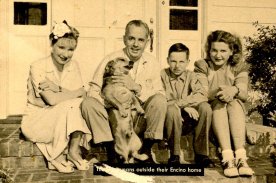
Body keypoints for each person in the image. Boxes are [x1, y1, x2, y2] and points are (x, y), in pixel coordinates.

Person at [81, 20, 167, 164]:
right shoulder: (111, 60)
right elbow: (94, 90)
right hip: (114, 120)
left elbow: (160, 93)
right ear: (124, 39)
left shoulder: (152, 63)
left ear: (147, 41)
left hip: (139, 118)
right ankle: (112, 152)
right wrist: (112, 104)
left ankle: (145, 151)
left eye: (140, 40)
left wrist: (136, 87)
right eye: (131, 38)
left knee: (159, 100)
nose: (135, 44)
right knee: (88, 103)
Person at [21, 21, 91, 173]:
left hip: (61, 117)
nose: (65, 54)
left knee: (76, 103)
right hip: (38, 122)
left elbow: (83, 95)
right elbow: (51, 100)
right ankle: (57, 155)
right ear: (51, 45)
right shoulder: (38, 66)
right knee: (72, 103)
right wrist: (73, 92)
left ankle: (72, 151)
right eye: (61, 47)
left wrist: (57, 89)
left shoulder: (74, 65)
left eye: (71, 49)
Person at [194, 30, 254, 177]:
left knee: (234, 104)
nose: (218, 55)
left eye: (223, 51)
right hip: (214, 112)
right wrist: (223, 92)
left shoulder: (238, 67)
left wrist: (233, 90)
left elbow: (243, 93)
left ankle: (240, 158)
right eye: (214, 50)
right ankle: (228, 158)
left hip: (234, 112)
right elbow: (202, 93)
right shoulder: (202, 66)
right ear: (209, 50)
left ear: (231, 51)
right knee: (221, 105)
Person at [161, 43, 213, 167]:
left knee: (205, 107)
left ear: (188, 62)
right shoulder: (162, 75)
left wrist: (181, 104)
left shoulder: (192, 75)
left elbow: (202, 94)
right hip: (167, 121)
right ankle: (174, 155)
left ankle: (201, 154)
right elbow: (162, 99)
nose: (177, 66)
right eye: (173, 61)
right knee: (172, 109)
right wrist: (184, 106)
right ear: (167, 60)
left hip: (188, 120)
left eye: (181, 62)